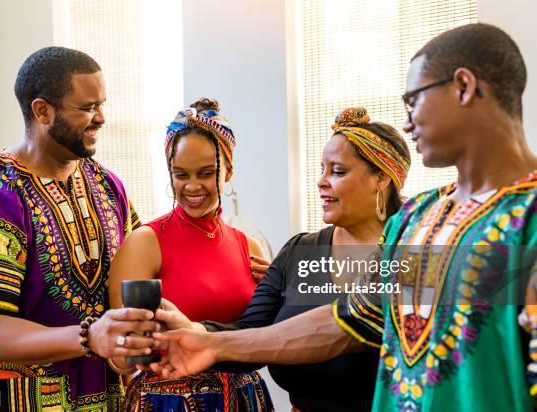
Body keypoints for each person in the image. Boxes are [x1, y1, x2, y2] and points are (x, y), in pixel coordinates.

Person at [150, 23, 537, 412]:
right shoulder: (418, 220)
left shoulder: (528, 217)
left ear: (463, 87)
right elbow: (347, 322)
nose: (407, 121)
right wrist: (210, 341)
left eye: (414, 100)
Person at [0, 47, 158, 411]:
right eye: (87, 108)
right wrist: (90, 336)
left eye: (102, 104)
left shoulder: (106, 185)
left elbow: (140, 272)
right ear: (42, 111)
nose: (101, 118)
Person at [152, 106, 411, 411]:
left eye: (338, 171)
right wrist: (195, 331)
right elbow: (251, 336)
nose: (321, 182)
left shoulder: (412, 257)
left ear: (381, 179)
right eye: (322, 170)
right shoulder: (299, 253)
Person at [108, 98, 273, 411]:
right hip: (166, 401)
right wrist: (134, 345)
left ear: (229, 171)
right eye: (180, 174)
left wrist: (280, 295)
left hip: (244, 398)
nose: (192, 186)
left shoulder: (250, 246)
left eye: (206, 173)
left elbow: (263, 340)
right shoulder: (146, 242)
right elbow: (121, 359)